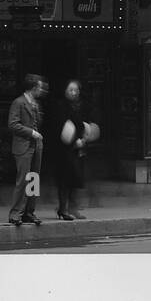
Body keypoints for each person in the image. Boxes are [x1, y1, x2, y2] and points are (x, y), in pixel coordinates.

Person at [7, 74, 48, 226]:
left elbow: (39, 122)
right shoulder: (18, 102)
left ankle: (29, 212)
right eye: (39, 87)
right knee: (23, 180)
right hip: (23, 145)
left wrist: (37, 112)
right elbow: (13, 124)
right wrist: (31, 132)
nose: (41, 90)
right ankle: (15, 213)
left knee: (33, 180)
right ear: (33, 88)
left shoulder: (35, 104)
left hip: (36, 145)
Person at [55, 79, 90, 221]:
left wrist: (85, 137)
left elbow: (85, 124)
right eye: (71, 90)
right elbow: (60, 127)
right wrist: (74, 140)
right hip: (65, 149)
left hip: (79, 148)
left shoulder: (81, 106)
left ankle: (73, 209)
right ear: (65, 91)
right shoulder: (60, 106)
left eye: (76, 90)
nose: (74, 92)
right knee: (64, 180)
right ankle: (63, 209)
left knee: (76, 178)